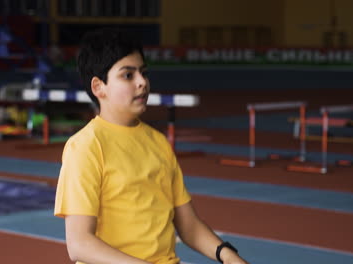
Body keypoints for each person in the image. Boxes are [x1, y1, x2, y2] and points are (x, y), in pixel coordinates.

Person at [54, 28, 250, 264]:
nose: (142, 83)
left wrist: (228, 256)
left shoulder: (158, 142)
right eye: (128, 75)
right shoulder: (85, 147)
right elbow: (79, 245)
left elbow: (188, 226)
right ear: (99, 87)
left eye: (144, 73)